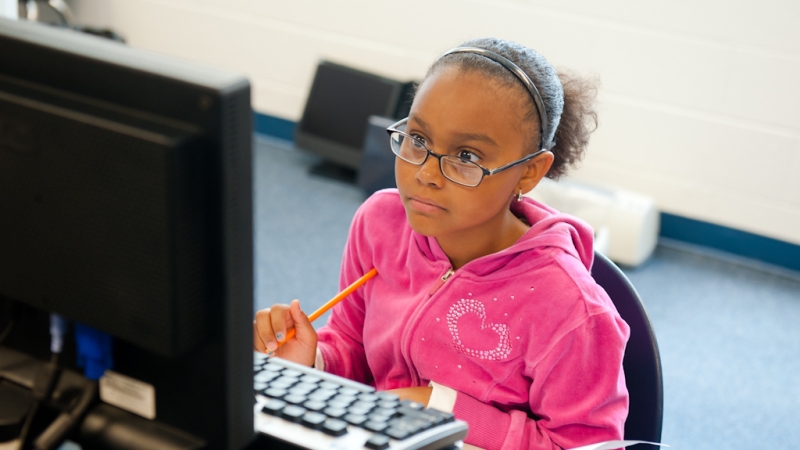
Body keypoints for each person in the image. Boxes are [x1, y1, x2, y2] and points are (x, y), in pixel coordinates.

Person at [254, 37, 630, 450]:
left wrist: (441, 408)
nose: (426, 174)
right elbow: (354, 346)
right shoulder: (381, 223)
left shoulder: (570, 309)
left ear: (529, 173)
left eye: (466, 156)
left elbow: (581, 447)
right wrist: (314, 361)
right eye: (418, 139)